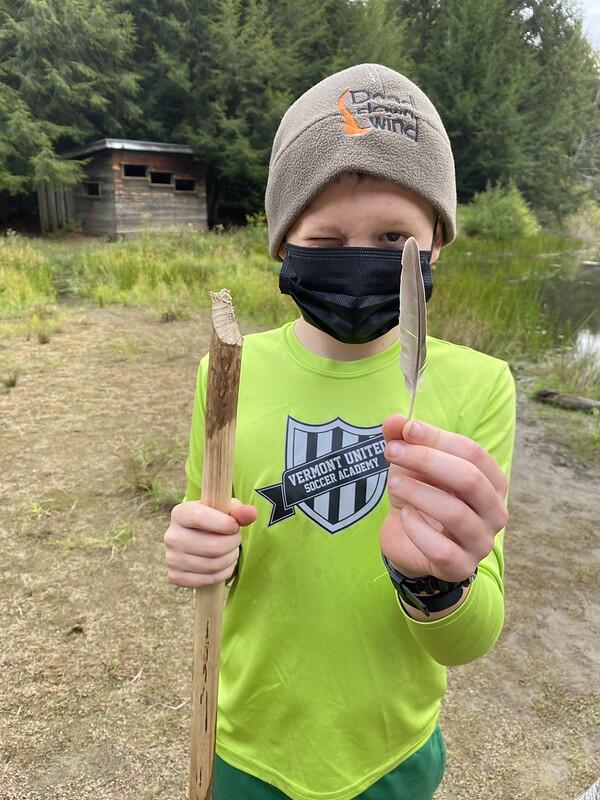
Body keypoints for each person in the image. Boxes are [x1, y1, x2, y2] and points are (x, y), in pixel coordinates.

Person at [164, 63, 516, 800]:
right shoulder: (227, 371)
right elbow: (219, 548)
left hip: (391, 756)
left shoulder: (480, 386)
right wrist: (202, 549)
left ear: (438, 243)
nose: (361, 260)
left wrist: (435, 581)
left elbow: (471, 636)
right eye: (326, 239)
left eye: (395, 236)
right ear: (283, 247)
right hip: (242, 746)